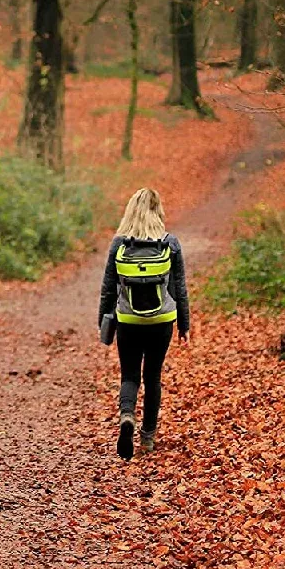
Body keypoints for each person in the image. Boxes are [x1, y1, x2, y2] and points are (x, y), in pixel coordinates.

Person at [98, 188, 190, 461]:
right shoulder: (169, 243)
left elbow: (107, 288)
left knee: (129, 376)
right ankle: (148, 437)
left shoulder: (119, 245)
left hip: (128, 320)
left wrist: (104, 322)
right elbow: (180, 288)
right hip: (162, 320)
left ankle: (127, 416)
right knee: (153, 377)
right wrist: (184, 324)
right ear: (157, 210)